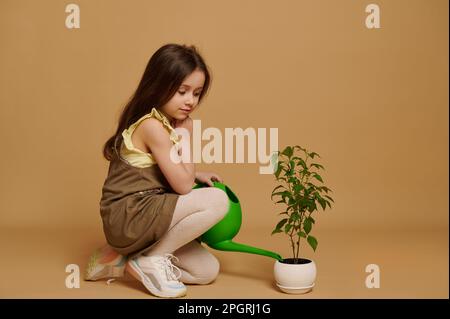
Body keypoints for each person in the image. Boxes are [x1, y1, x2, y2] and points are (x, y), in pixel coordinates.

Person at [85, 43, 230, 298]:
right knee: (218, 200)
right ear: (158, 86)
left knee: (207, 271)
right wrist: (186, 136)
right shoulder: (152, 126)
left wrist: (196, 173)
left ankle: (122, 263)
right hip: (129, 216)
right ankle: (152, 259)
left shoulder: (165, 123)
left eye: (196, 93)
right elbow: (183, 187)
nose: (190, 101)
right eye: (182, 91)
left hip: (148, 214)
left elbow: (163, 169)